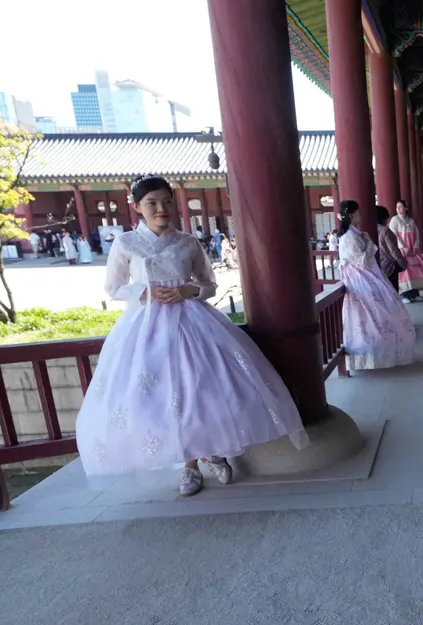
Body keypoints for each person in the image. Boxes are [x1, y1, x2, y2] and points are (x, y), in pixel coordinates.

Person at [75, 175, 307, 496]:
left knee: (203, 389)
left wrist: (188, 290)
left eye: (167, 201)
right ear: (137, 207)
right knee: (163, 397)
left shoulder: (187, 241)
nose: (161, 208)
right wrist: (146, 292)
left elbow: (209, 284)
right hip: (147, 328)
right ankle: (189, 464)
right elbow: (114, 288)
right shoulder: (126, 243)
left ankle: (210, 450)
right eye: (152, 203)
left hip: (193, 322)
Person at [336, 200, 416, 370]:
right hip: (361, 281)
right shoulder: (348, 238)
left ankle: (384, 353)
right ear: (351, 215)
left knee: (380, 315)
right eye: (358, 212)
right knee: (370, 318)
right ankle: (372, 355)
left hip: (369, 277)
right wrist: (371, 245)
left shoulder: (356, 234)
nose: (361, 214)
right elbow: (363, 261)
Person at [390, 200, 423, 303]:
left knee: (415, 272)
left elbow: (416, 234)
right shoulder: (394, 220)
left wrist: (415, 246)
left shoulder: (411, 220)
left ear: (406, 208)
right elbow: (394, 235)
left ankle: (414, 293)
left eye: (401, 207)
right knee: (404, 273)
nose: (399, 209)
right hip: (402, 250)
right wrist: (403, 247)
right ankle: (403, 295)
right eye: (397, 207)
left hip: (412, 250)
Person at [373, 205, 408, 292]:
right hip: (389, 268)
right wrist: (404, 264)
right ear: (384, 218)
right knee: (393, 294)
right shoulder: (385, 231)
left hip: (376, 268)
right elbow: (394, 251)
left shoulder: (370, 230)